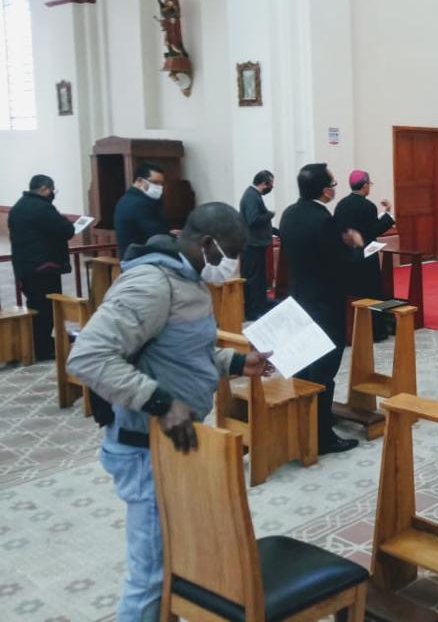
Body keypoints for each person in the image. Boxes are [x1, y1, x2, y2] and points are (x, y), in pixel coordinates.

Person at [66, 203, 273, 622]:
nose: (232, 264)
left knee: (180, 560)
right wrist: (162, 402)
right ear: (206, 244)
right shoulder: (151, 284)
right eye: (229, 252)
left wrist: (235, 363)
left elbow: (183, 352)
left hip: (175, 445)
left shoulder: (186, 279)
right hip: (146, 451)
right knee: (152, 575)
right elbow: (87, 356)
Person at [279, 163, 362, 456]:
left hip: (298, 299)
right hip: (324, 305)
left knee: (302, 367)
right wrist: (354, 246)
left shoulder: (289, 214)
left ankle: (302, 422)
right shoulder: (322, 220)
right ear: (326, 190)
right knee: (324, 371)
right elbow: (339, 266)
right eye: (333, 184)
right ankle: (322, 435)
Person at [8, 174, 75, 360]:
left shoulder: (19, 206)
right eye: (52, 189)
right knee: (47, 309)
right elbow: (67, 230)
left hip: (25, 267)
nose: (53, 193)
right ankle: (43, 348)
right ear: (45, 188)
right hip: (44, 267)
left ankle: (38, 344)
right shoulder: (42, 208)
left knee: (36, 305)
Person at [333, 169, 394, 341]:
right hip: (365, 258)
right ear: (365, 185)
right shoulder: (368, 206)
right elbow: (373, 230)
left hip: (346, 257)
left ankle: (350, 329)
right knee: (370, 293)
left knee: (350, 293)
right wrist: (388, 214)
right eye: (370, 185)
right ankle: (374, 331)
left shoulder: (341, 204)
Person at [239, 170, 276, 320]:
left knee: (259, 278)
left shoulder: (253, 195)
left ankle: (260, 305)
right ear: (263, 183)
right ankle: (253, 311)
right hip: (252, 245)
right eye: (271, 184)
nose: (272, 187)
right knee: (254, 279)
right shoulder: (251, 196)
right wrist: (270, 214)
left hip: (256, 244)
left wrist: (277, 232)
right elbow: (253, 220)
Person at [114, 162, 168, 257]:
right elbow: (156, 235)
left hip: (132, 255)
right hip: (141, 258)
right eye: (155, 182)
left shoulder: (128, 198)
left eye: (161, 184)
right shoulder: (140, 204)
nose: (159, 187)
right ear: (139, 181)